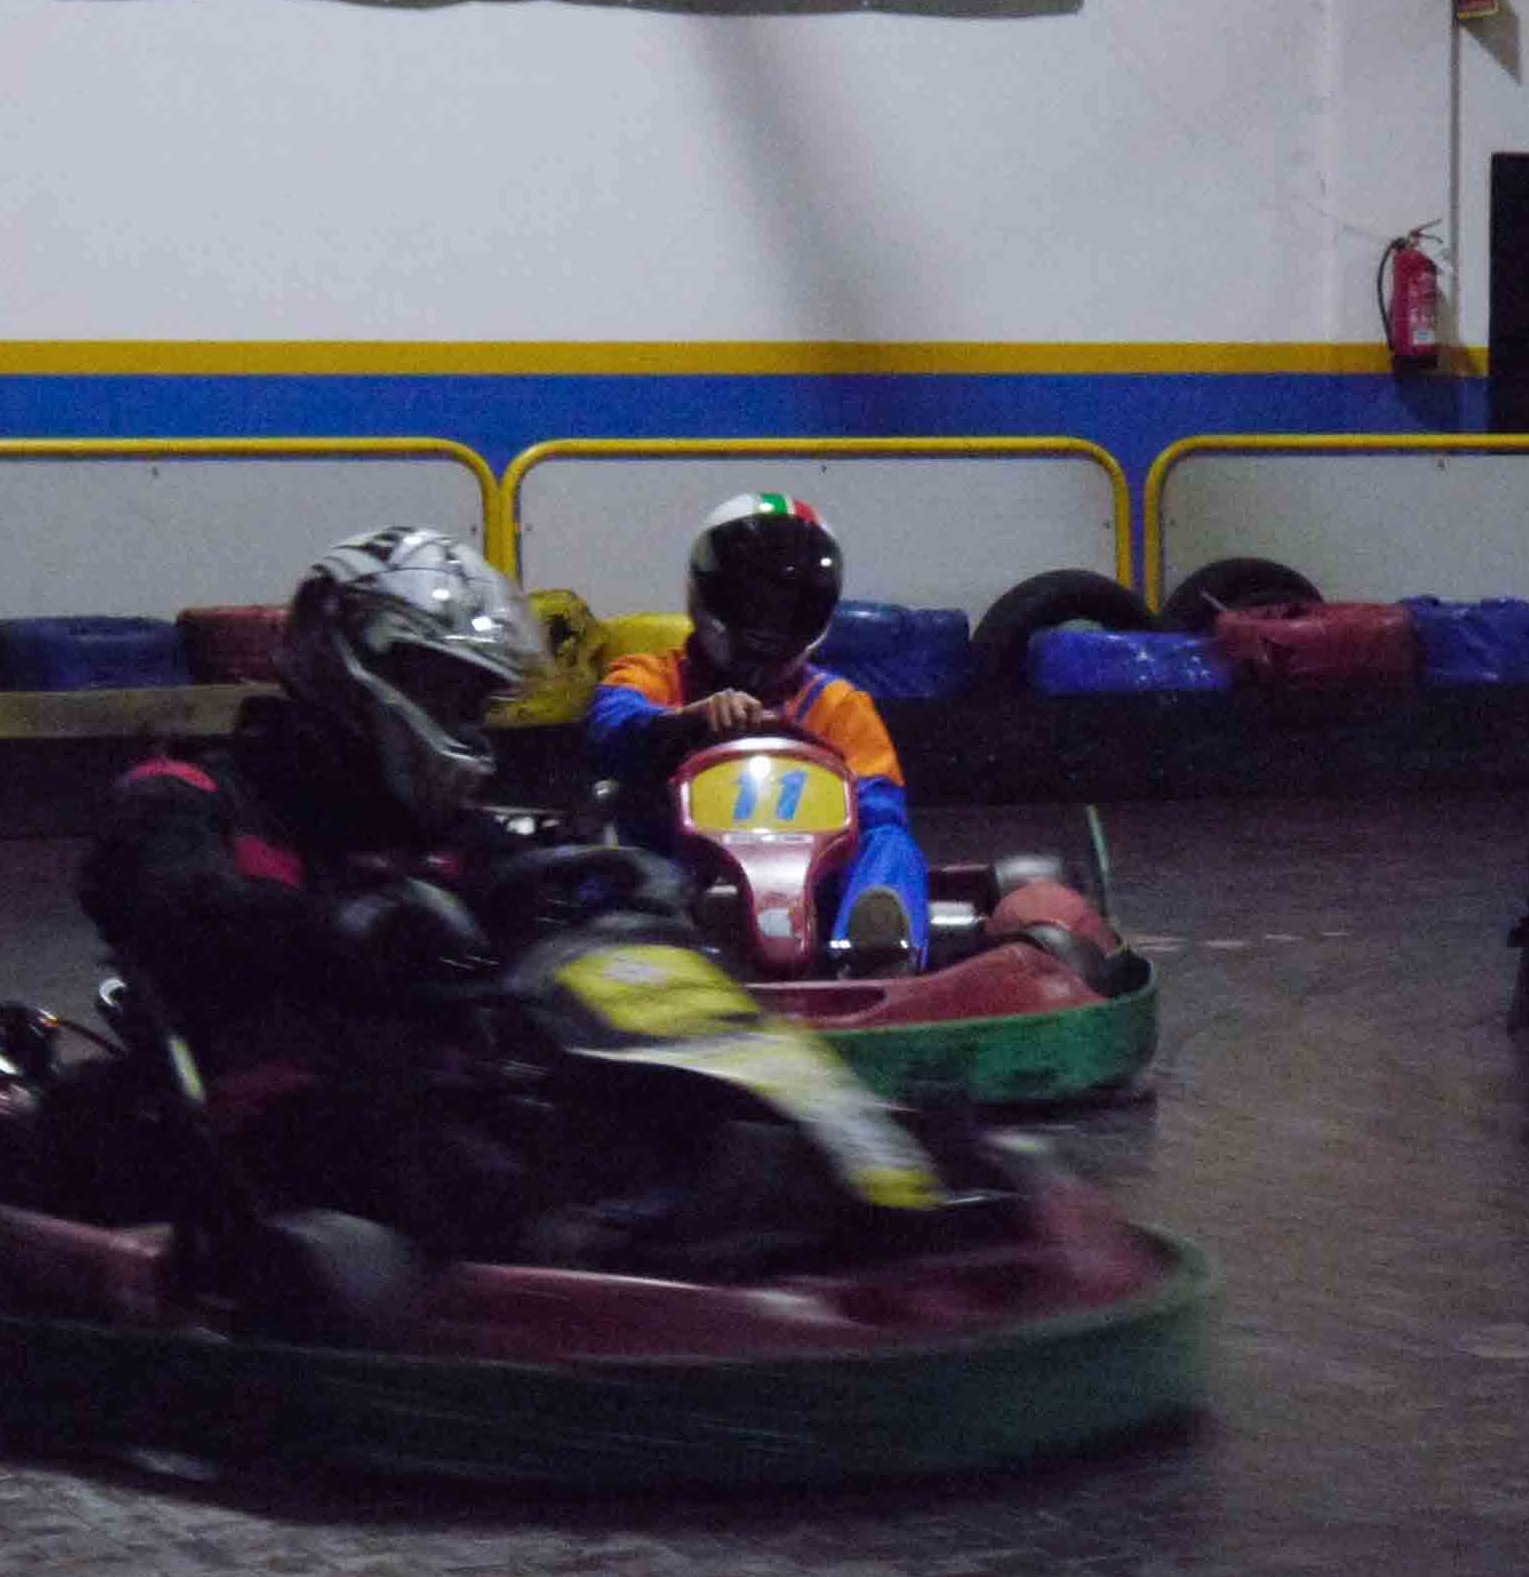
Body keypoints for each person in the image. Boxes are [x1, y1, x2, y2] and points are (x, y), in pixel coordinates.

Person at [73, 525, 564, 1233]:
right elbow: (173, 905)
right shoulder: (189, 797)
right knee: (463, 1171)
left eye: (474, 702)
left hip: (452, 1104)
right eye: (443, 690)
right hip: (272, 1132)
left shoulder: (447, 834)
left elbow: (531, 898)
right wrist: (348, 926)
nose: (461, 720)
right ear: (347, 668)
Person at [583, 492, 929, 962]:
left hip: (810, 877)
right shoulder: (653, 676)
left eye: (787, 607)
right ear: (709, 592)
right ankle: (642, 957)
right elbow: (610, 727)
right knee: (625, 835)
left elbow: (880, 805)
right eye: (753, 601)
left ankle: (876, 957)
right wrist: (687, 724)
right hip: (682, 862)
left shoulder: (837, 704)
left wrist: (810, 754)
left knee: (888, 840)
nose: (769, 622)